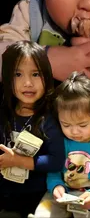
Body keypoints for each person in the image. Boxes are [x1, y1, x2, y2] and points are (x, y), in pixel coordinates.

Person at [31, 71, 90, 218]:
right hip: (60, 194)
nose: (74, 131)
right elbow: (53, 170)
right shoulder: (59, 140)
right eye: (66, 124)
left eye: (82, 125)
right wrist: (56, 186)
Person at [0, 41, 65, 218]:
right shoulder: (4, 113)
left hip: (38, 196)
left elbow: (57, 160)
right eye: (18, 74)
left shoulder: (50, 118)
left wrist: (18, 161)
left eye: (35, 74)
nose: (27, 83)